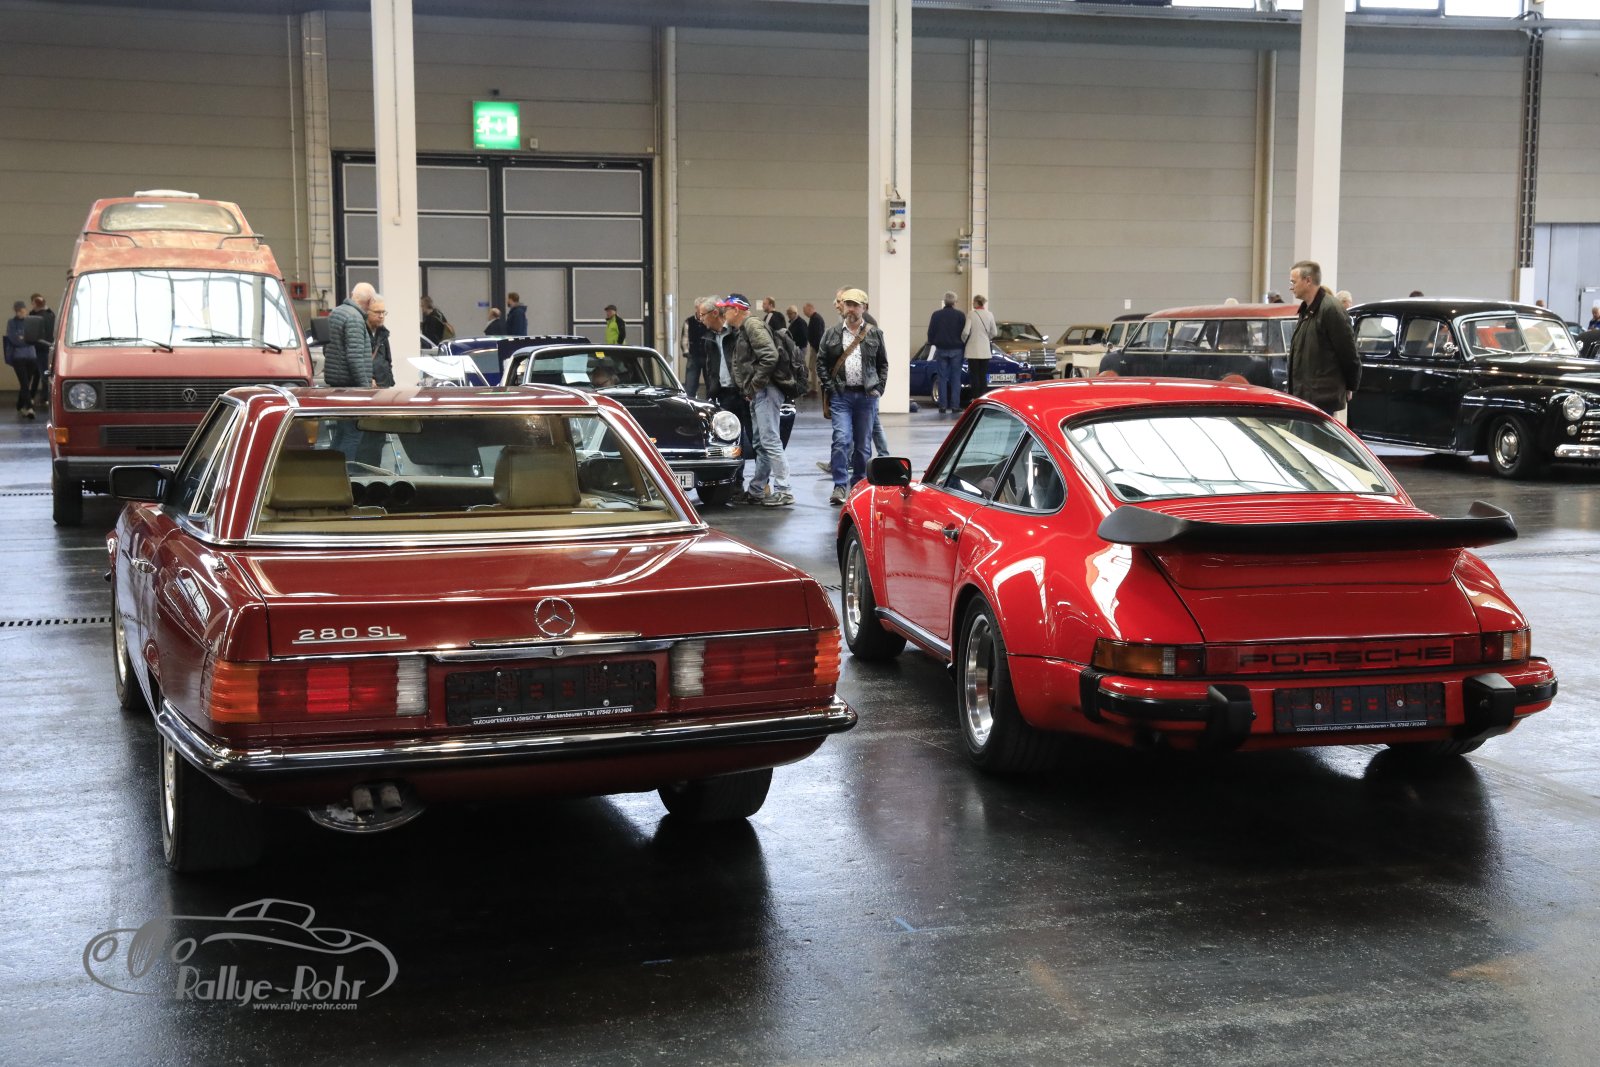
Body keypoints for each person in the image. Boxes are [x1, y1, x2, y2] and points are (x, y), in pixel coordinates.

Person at [721, 294, 792, 507]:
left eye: (725, 310)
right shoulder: (745, 329)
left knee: (770, 440)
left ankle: (784, 490)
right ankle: (757, 489)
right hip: (760, 392)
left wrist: (754, 385)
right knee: (761, 442)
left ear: (736, 310)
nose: (723, 314)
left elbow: (770, 356)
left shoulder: (752, 326)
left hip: (766, 391)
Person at [818, 288, 887, 506]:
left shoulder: (875, 334)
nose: (851, 309)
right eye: (848, 304)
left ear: (864, 308)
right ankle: (839, 485)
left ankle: (858, 485)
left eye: (855, 305)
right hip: (841, 396)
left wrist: (879, 388)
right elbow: (821, 362)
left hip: (867, 397)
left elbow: (882, 364)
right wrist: (830, 387)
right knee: (841, 439)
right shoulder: (831, 333)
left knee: (863, 445)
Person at [1287, 260, 1361, 424]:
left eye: (1294, 282)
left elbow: (1348, 352)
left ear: (1308, 280)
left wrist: (1351, 385)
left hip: (1321, 398)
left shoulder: (1330, 309)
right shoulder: (1307, 311)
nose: (1291, 287)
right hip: (1306, 397)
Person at [325, 282, 376, 457]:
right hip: (351, 387)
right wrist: (365, 388)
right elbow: (354, 357)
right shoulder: (354, 318)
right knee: (353, 433)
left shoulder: (336, 312)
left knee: (341, 432)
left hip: (337, 384)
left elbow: (327, 348)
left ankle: (332, 468)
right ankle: (346, 470)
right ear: (369, 301)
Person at [926, 290, 967, 413]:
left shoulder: (936, 315)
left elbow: (931, 331)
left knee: (942, 378)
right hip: (957, 349)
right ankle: (955, 406)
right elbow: (965, 333)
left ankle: (942, 405)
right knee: (956, 378)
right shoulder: (960, 315)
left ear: (944, 301)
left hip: (941, 349)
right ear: (955, 302)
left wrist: (933, 342)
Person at [5, 301, 40, 419]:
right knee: (24, 383)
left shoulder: (30, 322)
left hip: (31, 357)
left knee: (26, 382)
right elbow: (13, 339)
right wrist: (26, 340)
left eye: (24, 311)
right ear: (16, 311)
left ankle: (20, 405)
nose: (23, 313)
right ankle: (29, 407)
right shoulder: (12, 322)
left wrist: (23, 339)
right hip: (18, 358)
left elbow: (35, 338)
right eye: (20, 311)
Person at [961, 294, 997, 401]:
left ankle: (975, 397)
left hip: (973, 350)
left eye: (973, 301)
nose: (972, 303)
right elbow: (994, 332)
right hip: (985, 350)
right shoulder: (990, 314)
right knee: (983, 375)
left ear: (977, 302)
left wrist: (963, 341)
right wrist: (987, 338)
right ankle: (983, 396)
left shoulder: (971, 314)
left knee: (974, 375)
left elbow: (966, 332)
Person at [680, 300, 709, 398]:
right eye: (701, 308)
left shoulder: (709, 321)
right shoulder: (689, 321)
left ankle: (711, 402)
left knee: (711, 384)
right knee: (690, 385)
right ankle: (690, 401)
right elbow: (684, 338)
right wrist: (687, 353)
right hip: (693, 356)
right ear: (696, 308)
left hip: (708, 357)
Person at [805, 301, 826, 399]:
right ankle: (815, 387)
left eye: (805, 310)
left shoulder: (816, 319)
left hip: (816, 347)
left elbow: (818, 335)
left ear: (810, 309)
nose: (804, 313)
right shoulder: (814, 318)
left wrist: (817, 349)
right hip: (815, 347)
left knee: (813, 368)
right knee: (812, 367)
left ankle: (814, 389)